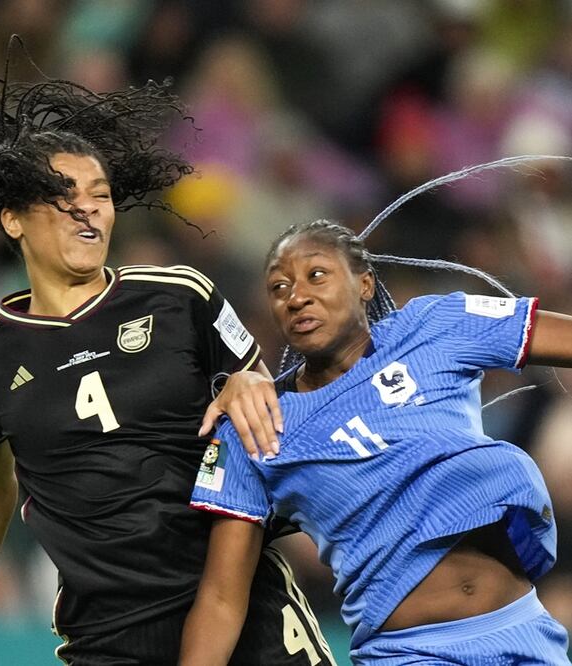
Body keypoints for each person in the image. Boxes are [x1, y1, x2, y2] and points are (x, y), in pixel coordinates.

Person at [0, 43, 332, 665]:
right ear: (13, 218)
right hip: (110, 633)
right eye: (63, 193)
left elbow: (270, 409)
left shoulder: (181, 298)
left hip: (237, 595)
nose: (88, 205)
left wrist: (256, 387)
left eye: (101, 192)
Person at [184, 219, 571, 664]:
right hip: (411, 653)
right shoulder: (257, 423)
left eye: (316, 275)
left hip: (524, 632)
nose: (296, 297)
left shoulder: (435, 326)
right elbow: (220, 599)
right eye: (278, 287)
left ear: (364, 283)